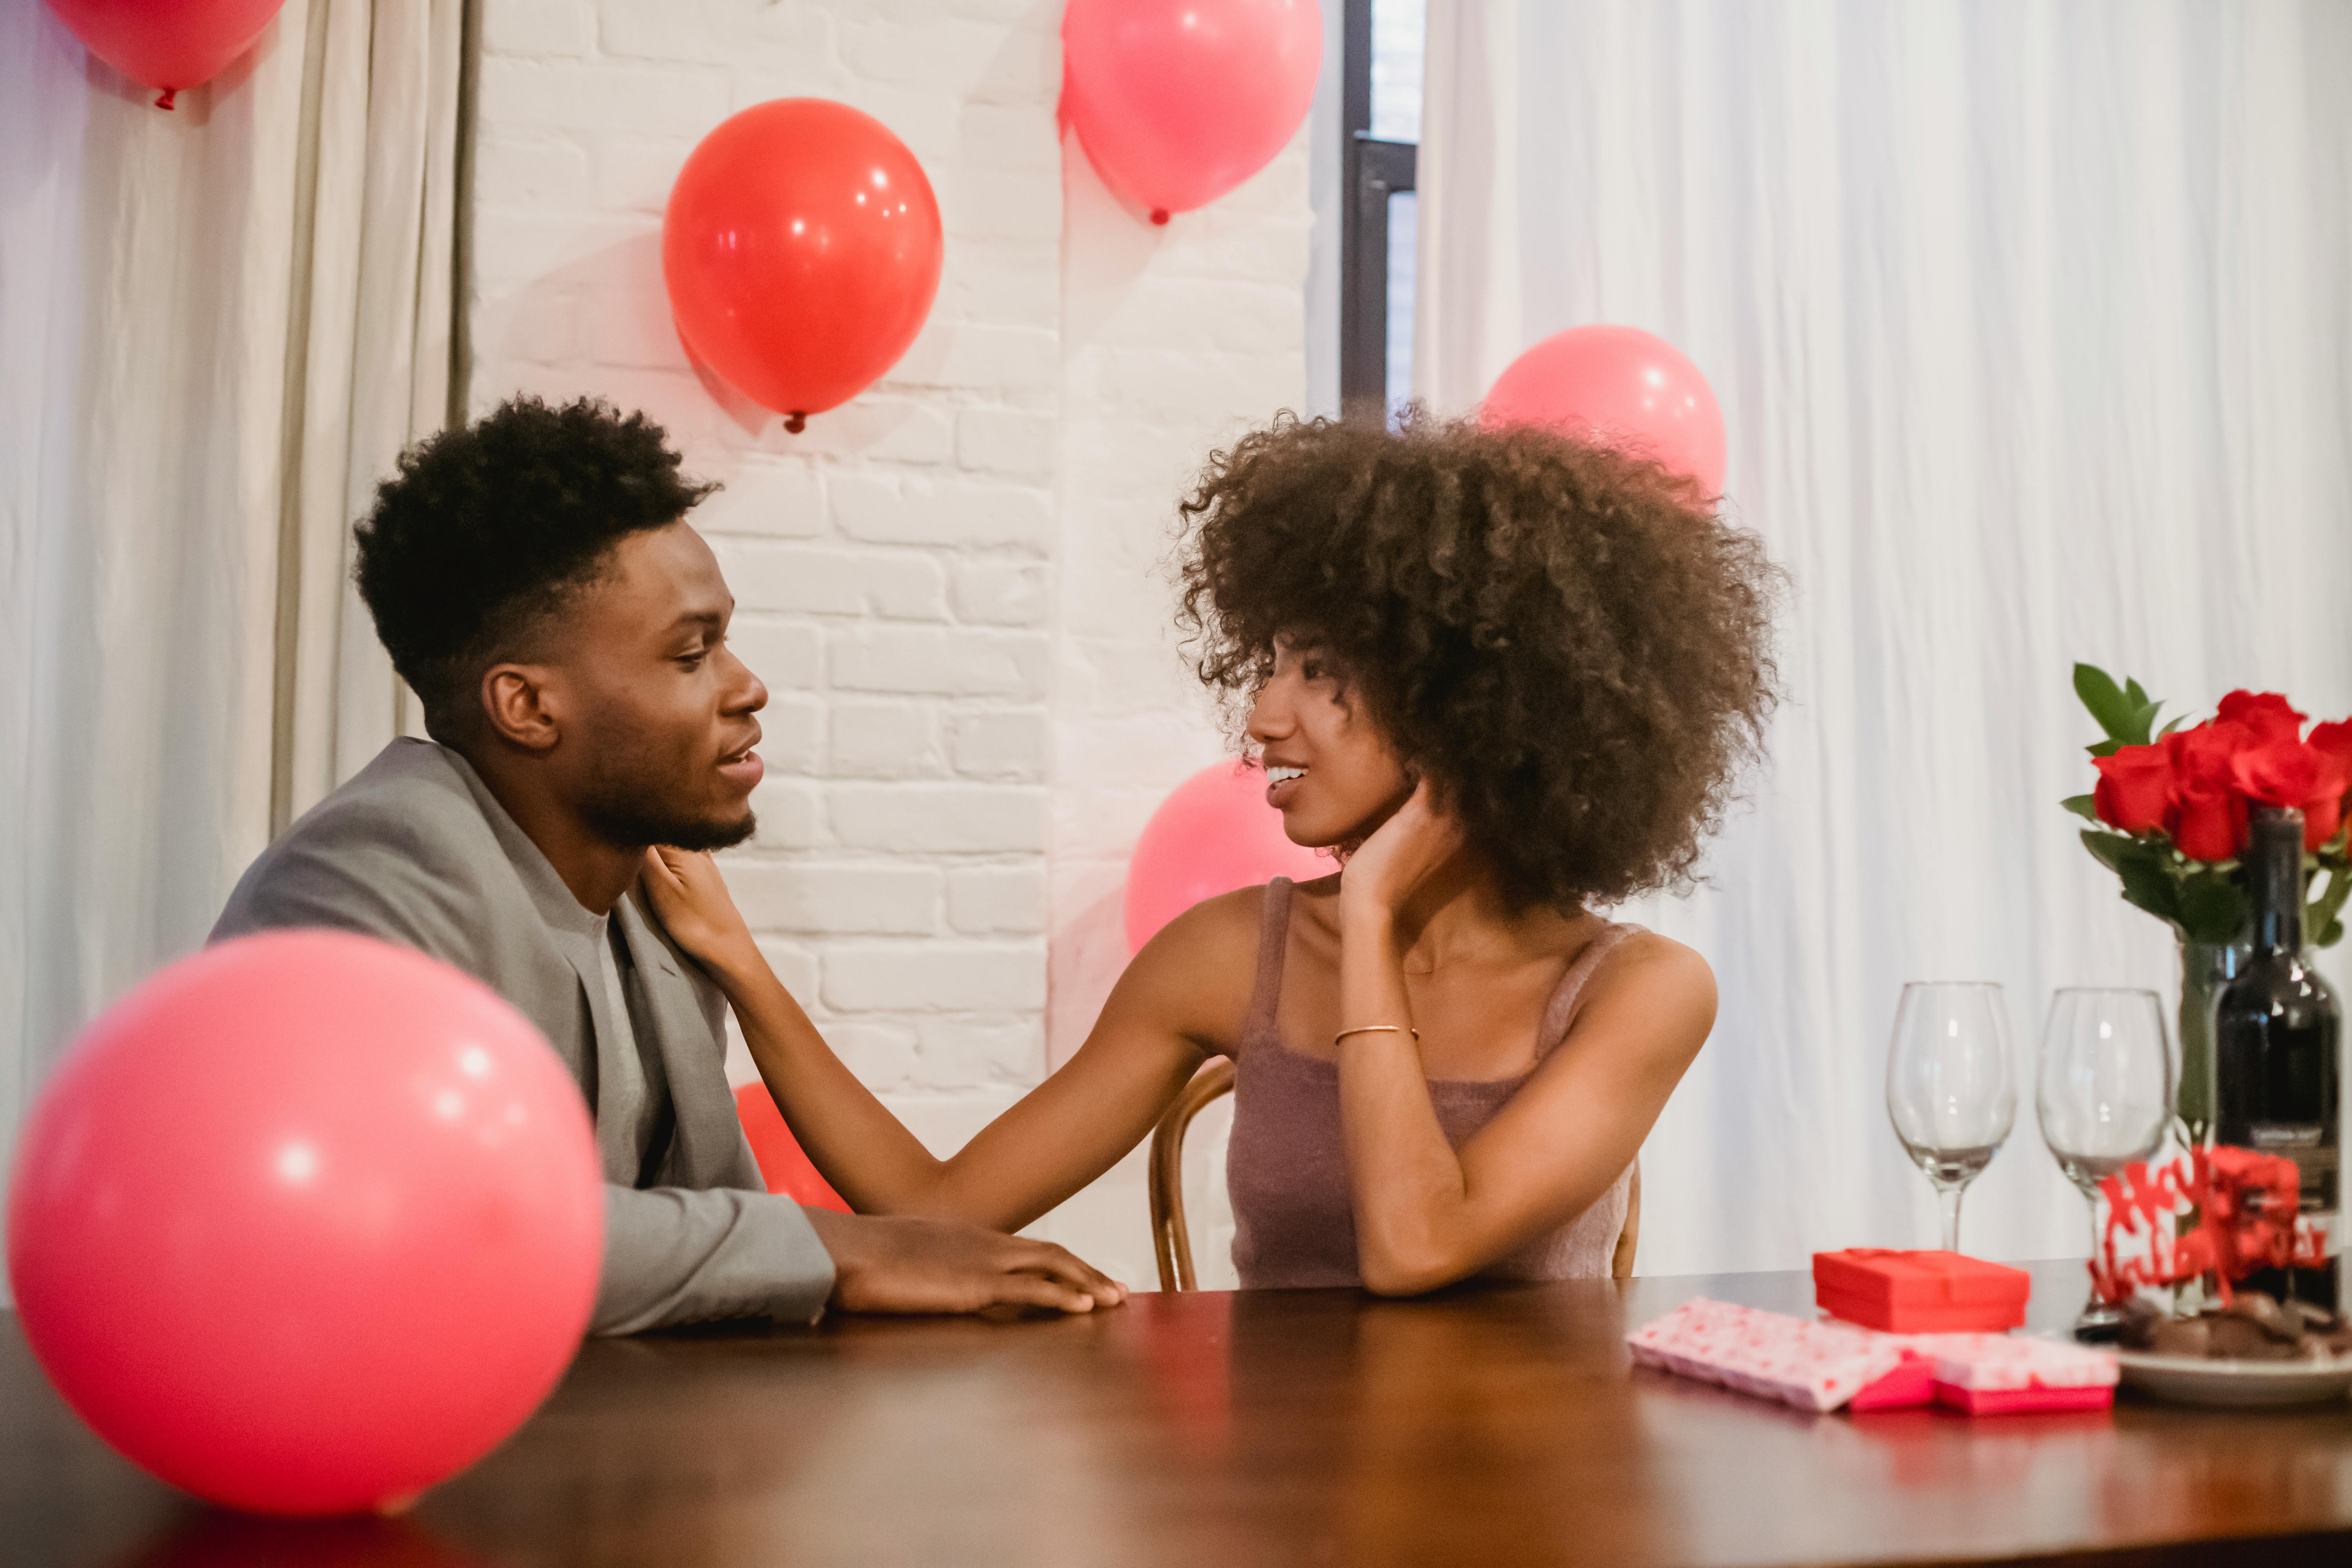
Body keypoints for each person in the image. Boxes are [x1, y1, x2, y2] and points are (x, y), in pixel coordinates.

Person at [645, 413, 1780, 1293]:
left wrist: (1374, 919)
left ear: (1467, 699)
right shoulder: (1229, 954)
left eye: (1320, 672)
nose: (1265, 719)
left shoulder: (1639, 993)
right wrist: (746, 968)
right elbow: (938, 1209)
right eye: (1270, 663)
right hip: (1276, 1500)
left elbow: (1419, 1248)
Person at [212, 395, 1124, 1332]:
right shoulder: (367, 872)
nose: (748, 685)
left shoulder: (647, 895)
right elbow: (425, 1225)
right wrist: (837, 1249)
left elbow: (695, 1252)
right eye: (693, 653)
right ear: (526, 706)